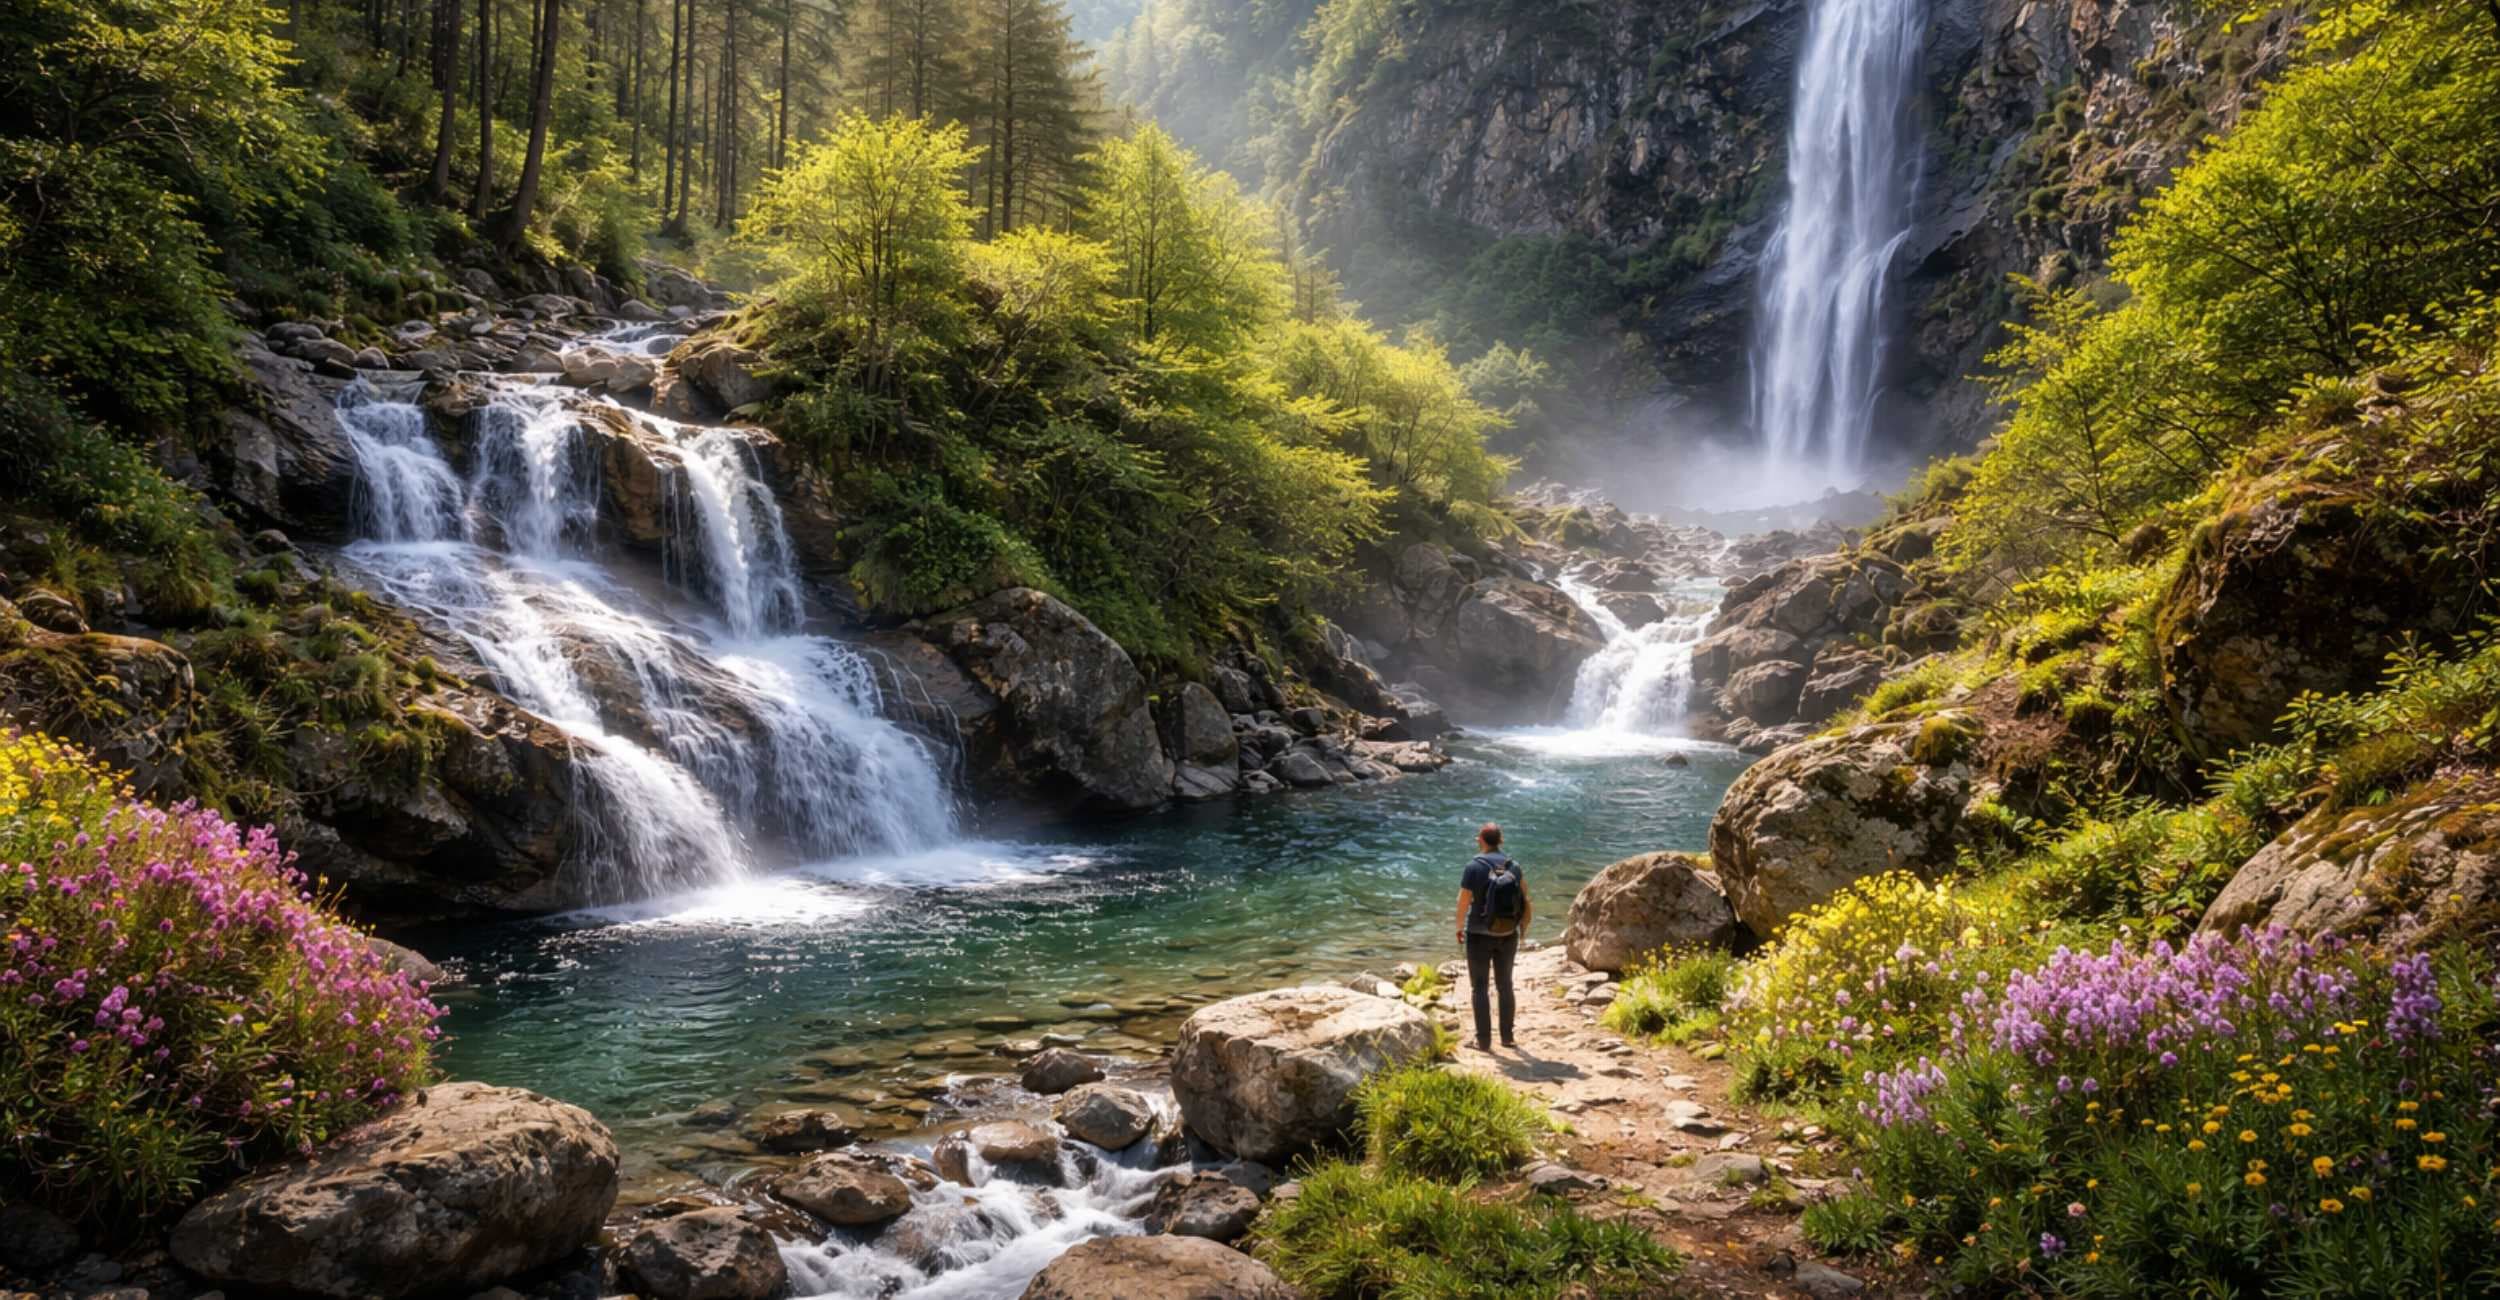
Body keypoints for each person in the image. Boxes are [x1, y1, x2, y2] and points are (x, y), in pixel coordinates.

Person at [1454, 822, 1528, 1052]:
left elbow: (1463, 901)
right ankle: (1507, 1037)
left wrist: (1458, 927)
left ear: (1481, 840)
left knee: (1479, 987)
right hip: (1508, 934)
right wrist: (1522, 930)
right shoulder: (1514, 866)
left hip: (1478, 934)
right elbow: (1526, 900)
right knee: (1505, 985)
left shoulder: (1473, 867)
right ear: (1501, 841)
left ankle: (1483, 1041)